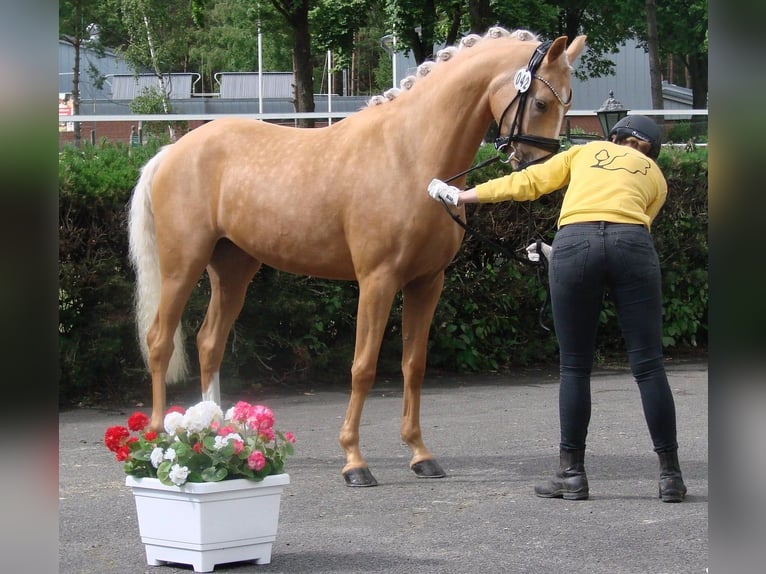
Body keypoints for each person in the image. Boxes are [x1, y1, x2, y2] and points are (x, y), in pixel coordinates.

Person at [427, 115, 687, 502]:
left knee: (575, 366)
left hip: (575, 242)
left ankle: (572, 474)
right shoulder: (655, 176)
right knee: (648, 365)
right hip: (632, 244)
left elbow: (528, 182)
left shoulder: (583, 152)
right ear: (650, 150)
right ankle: (670, 477)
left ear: (614, 137)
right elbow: (629, 225)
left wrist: (462, 195)